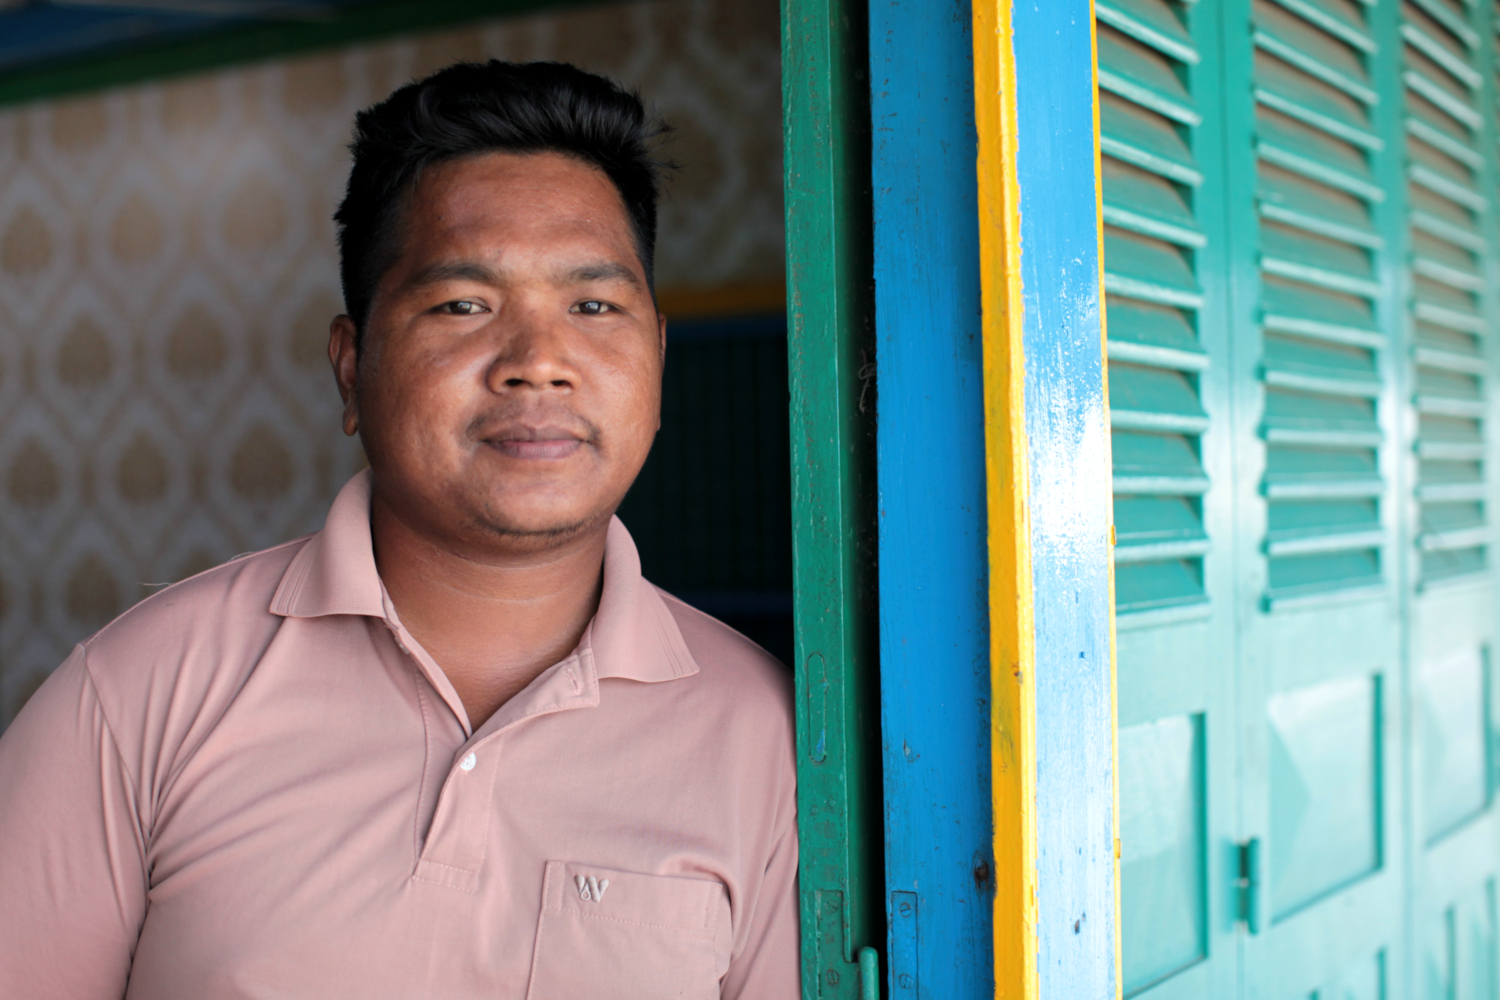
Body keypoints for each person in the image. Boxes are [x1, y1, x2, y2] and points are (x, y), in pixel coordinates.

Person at [0, 60, 797, 999]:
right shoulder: (139, 696)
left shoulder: (764, 738)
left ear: (656, 359)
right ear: (352, 367)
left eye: (593, 305)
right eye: (464, 305)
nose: (539, 362)